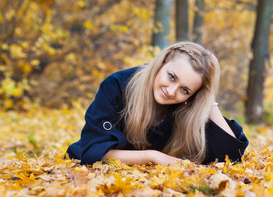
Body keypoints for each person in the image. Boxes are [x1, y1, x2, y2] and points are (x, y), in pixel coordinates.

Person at [66, 42, 248, 165]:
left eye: (185, 90)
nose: (171, 91)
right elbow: (92, 152)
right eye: (171, 76)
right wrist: (154, 157)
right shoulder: (117, 85)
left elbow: (231, 156)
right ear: (162, 62)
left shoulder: (187, 106)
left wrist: (207, 99)